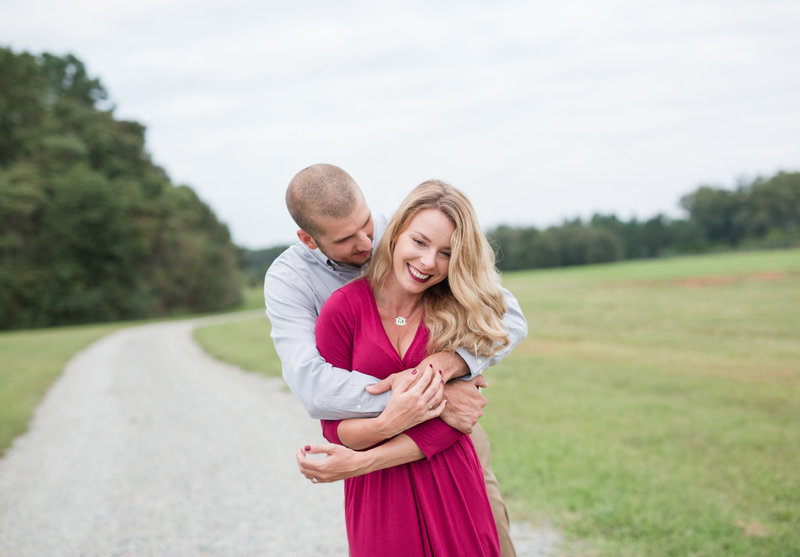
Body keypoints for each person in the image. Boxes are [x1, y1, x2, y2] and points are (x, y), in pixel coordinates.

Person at [264, 164, 527, 556]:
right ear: (309, 239)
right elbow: (313, 386)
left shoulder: (410, 230)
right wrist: (424, 399)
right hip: (379, 449)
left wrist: (451, 363)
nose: (367, 243)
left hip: (455, 441)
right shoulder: (292, 281)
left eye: (367, 224)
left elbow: (507, 318)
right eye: (346, 239)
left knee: (493, 541)